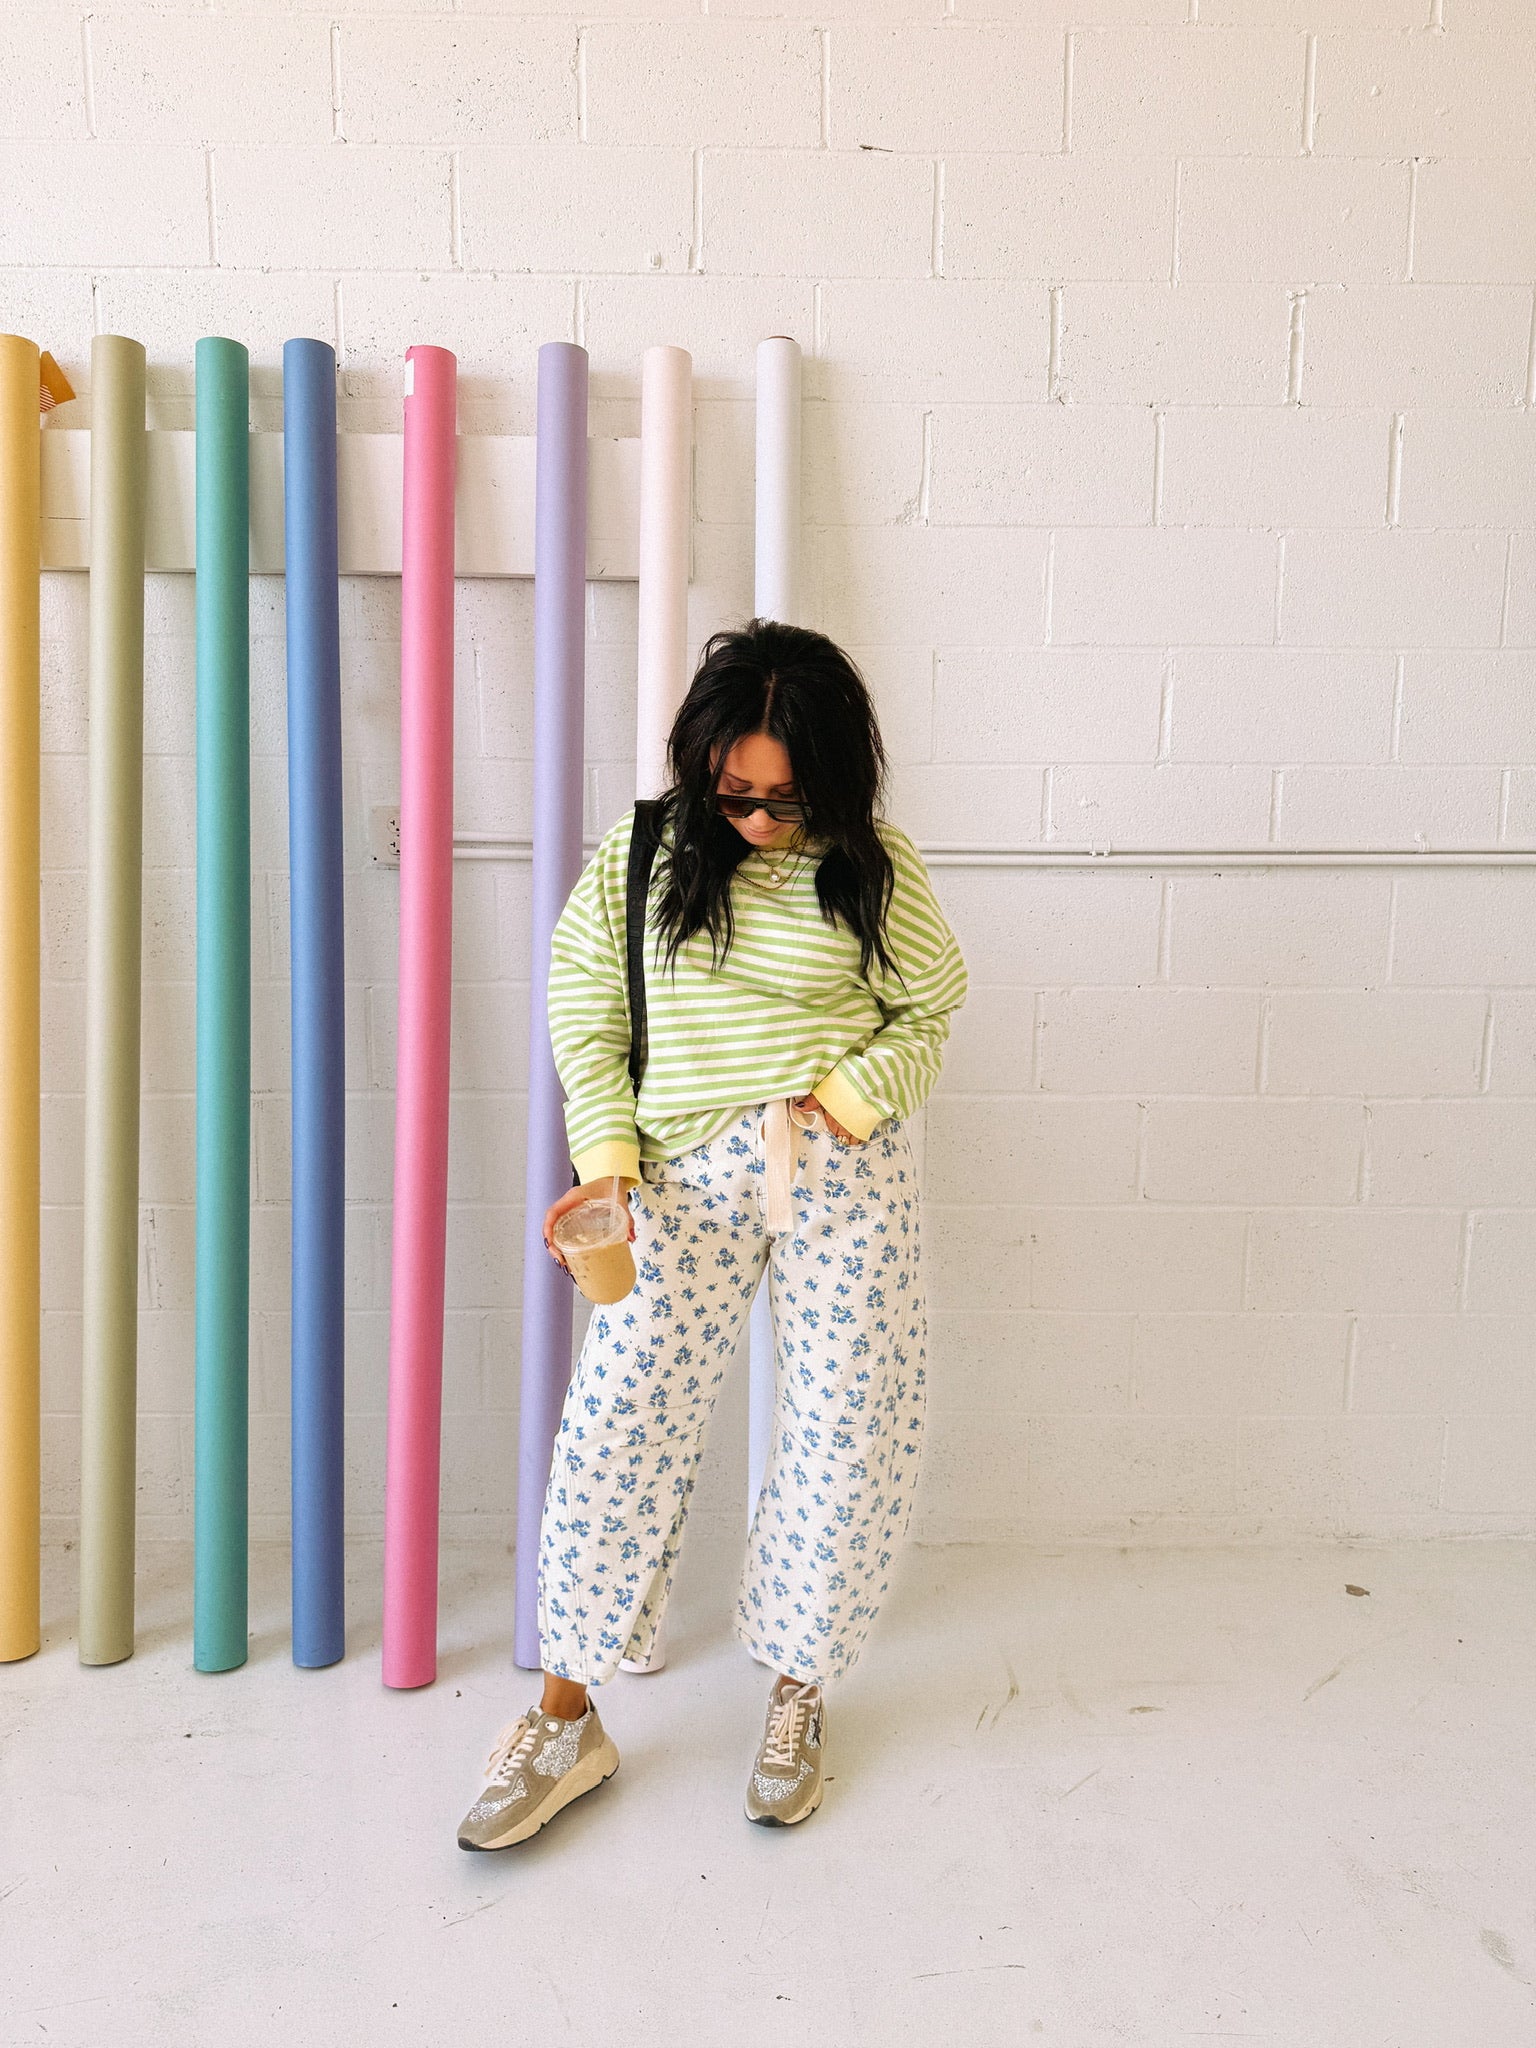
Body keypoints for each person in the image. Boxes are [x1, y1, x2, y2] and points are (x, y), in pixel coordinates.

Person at [458, 619, 968, 1850]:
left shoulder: (874, 868)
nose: (759, 820)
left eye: (788, 800)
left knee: (847, 1421)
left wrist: (852, 1097)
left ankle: (800, 1688)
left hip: (843, 1168)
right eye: (735, 793)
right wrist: (607, 1165)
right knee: (618, 1420)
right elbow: (585, 1010)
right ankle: (566, 1715)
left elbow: (931, 1005)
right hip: (678, 1178)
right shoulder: (642, 856)